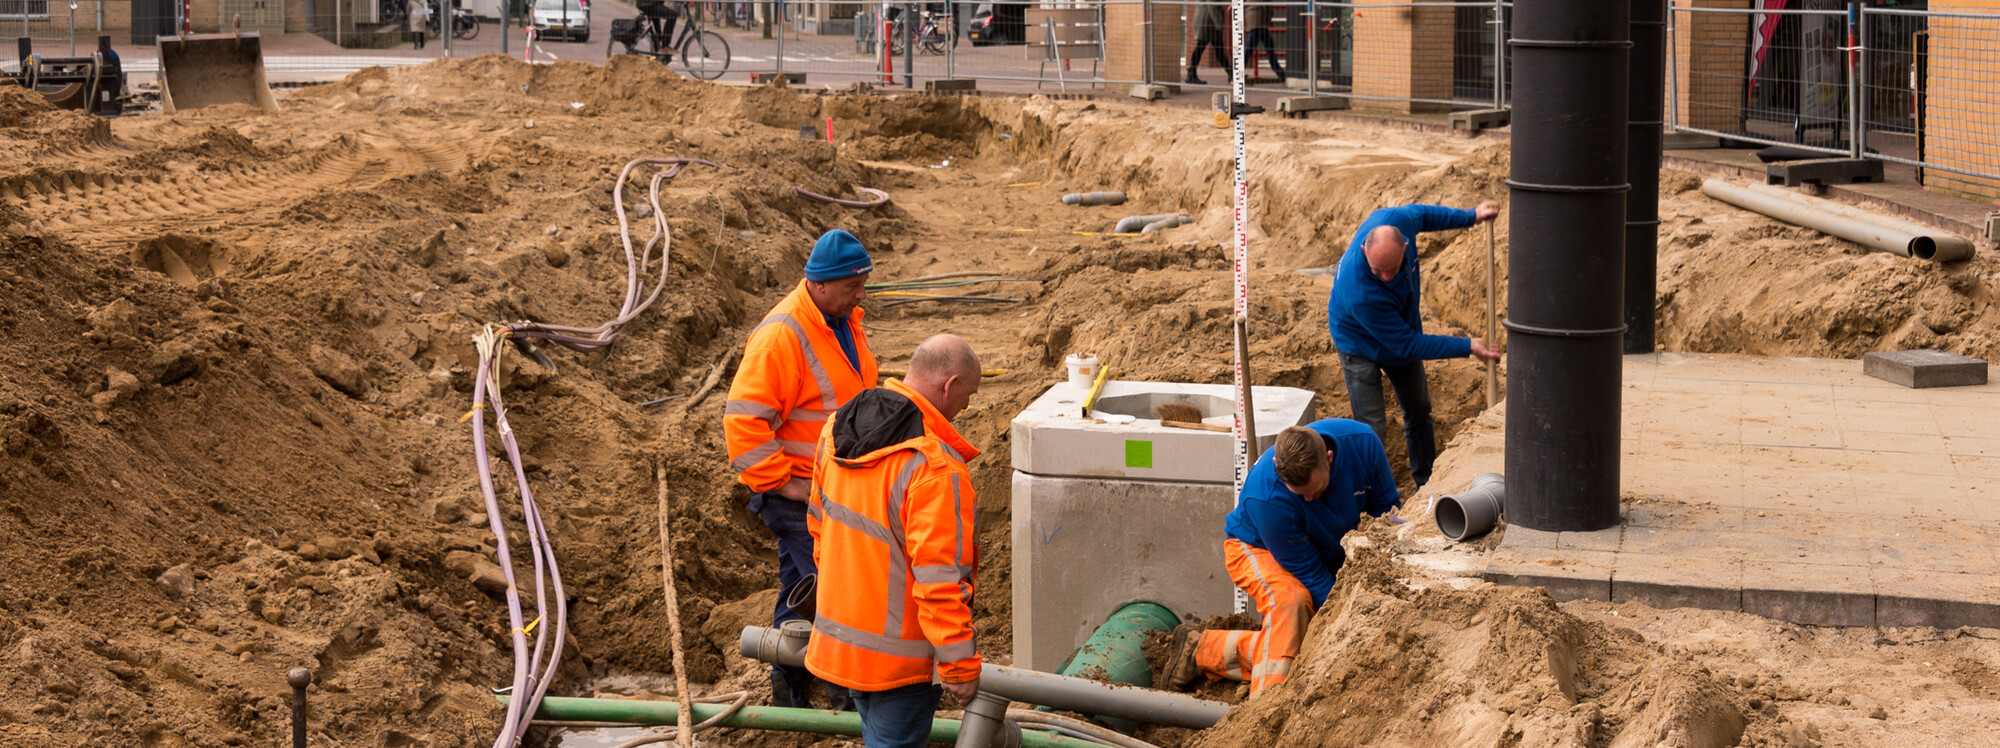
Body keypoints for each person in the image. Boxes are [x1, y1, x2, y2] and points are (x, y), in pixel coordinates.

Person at [723, 229, 878, 711]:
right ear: (822, 284)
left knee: (799, 588)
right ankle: (845, 694)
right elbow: (742, 425)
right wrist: (788, 486)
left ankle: (787, 683)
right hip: (799, 493)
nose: (862, 295)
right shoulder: (781, 336)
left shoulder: (840, 320)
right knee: (837, 593)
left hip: (830, 487)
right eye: (854, 286)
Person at [806, 334, 985, 748]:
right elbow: (939, 580)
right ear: (949, 384)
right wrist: (959, 666)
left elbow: (819, 529)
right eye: (968, 394)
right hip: (899, 667)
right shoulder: (936, 469)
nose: (968, 406)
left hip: (839, 645)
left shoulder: (837, 428)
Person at [1162, 421, 1398, 697]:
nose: (1309, 499)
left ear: (1329, 459)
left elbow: (1388, 514)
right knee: (1292, 603)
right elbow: (1313, 577)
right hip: (1255, 547)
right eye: (1300, 494)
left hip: (1325, 546)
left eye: (1316, 488)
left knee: (1295, 636)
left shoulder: (1363, 444)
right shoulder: (1267, 497)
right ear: (1278, 467)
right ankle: (1265, 707)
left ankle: (1201, 650)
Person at [1326, 202, 1503, 489]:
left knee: (1419, 410)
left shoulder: (1395, 219)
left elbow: (1424, 215)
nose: (1386, 277)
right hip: (1356, 344)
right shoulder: (1359, 292)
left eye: (1392, 270)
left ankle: (1426, 482)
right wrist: (1468, 346)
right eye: (1378, 271)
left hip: (1398, 327)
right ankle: (1373, 493)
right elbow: (1408, 345)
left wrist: (1472, 216)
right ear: (1363, 252)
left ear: (1405, 247)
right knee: (1372, 428)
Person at [1186, 0, 1230, 85]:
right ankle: (1192, 73)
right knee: (1204, 47)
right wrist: (1219, 24)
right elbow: (1212, 6)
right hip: (1208, 22)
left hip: (1208, 21)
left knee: (1216, 49)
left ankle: (1192, 73)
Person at [1243, 2, 1285, 83]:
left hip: (1260, 18)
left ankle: (1279, 71)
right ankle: (1237, 72)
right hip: (1257, 18)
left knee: (1268, 46)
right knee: (1250, 47)